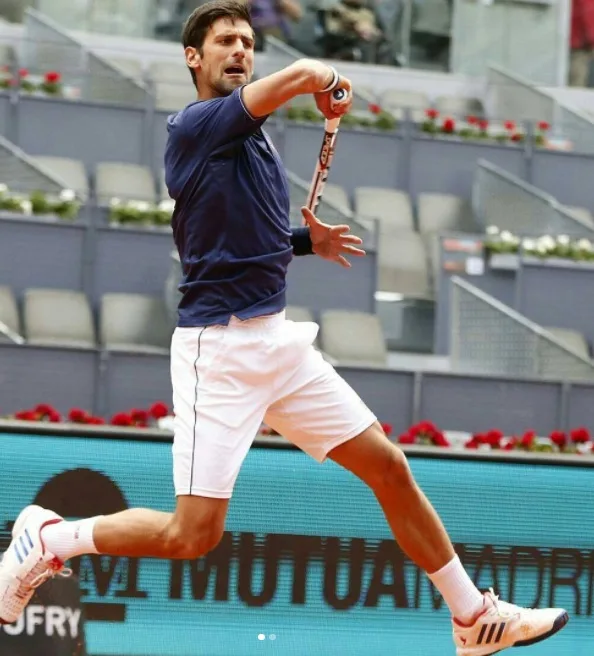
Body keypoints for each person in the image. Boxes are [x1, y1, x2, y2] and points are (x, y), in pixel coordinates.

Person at [0, 2, 569, 654]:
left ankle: (472, 617)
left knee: (387, 466)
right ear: (194, 56)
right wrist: (322, 80)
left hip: (277, 342)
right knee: (194, 535)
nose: (239, 49)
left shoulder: (252, 140)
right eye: (225, 41)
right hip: (219, 350)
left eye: (246, 40)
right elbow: (302, 71)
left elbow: (227, 233)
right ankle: (49, 539)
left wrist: (303, 241)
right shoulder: (194, 125)